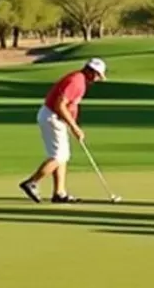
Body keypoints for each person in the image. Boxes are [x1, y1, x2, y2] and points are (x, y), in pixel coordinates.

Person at [20, 58, 108, 204]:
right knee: (58, 156)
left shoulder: (79, 80)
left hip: (56, 119)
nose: (98, 79)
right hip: (52, 117)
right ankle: (32, 182)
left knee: (63, 156)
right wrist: (74, 127)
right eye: (98, 75)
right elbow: (59, 105)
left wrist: (70, 124)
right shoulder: (76, 81)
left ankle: (59, 193)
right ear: (91, 71)